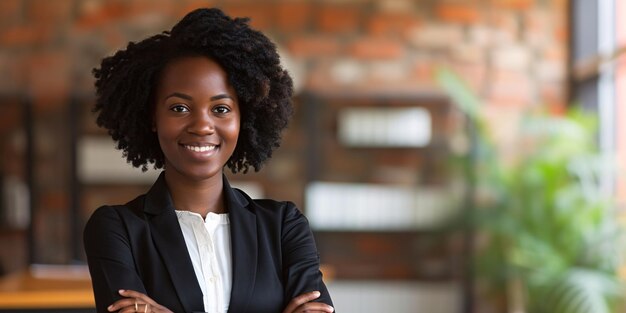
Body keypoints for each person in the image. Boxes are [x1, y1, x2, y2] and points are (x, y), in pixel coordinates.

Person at [83, 8, 334, 313]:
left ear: (244, 118)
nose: (202, 126)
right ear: (153, 118)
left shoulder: (283, 226)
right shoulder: (116, 228)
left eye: (221, 109)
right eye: (179, 108)